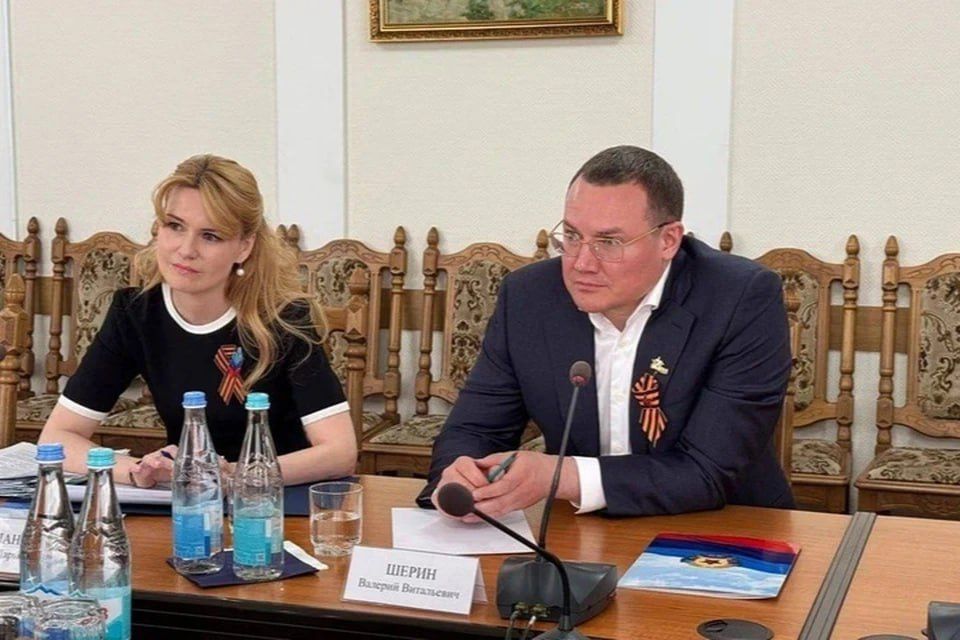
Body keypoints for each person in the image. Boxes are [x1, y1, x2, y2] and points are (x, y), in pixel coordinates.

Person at [418, 145, 793, 517]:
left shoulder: (740, 297)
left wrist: (561, 477)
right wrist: (460, 478)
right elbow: (475, 429)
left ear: (668, 240)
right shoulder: (529, 297)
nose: (581, 263)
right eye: (572, 236)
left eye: (608, 243)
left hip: (726, 524)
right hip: (579, 526)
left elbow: (707, 470)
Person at [39, 154, 356, 488]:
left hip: (277, 500)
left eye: (210, 236)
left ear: (244, 247)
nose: (186, 249)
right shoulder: (134, 313)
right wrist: (138, 471)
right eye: (175, 226)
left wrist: (233, 475)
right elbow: (58, 436)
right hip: (189, 500)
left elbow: (340, 452)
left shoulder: (284, 318)